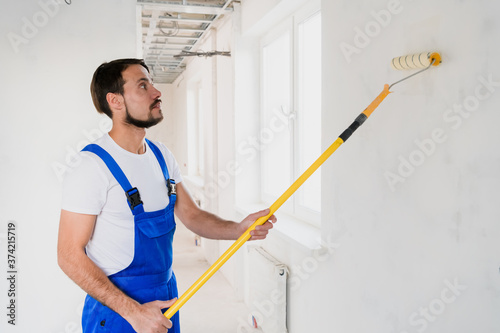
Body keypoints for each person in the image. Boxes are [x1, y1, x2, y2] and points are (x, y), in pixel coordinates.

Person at [57, 58, 276, 333]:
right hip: (117, 312)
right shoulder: (91, 166)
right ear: (115, 101)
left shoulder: (162, 156)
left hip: (166, 298)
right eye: (142, 86)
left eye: (152, 84)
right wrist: (133, 312)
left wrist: (238, 229)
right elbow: (68, 255)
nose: (156, 92)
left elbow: (191, 215)